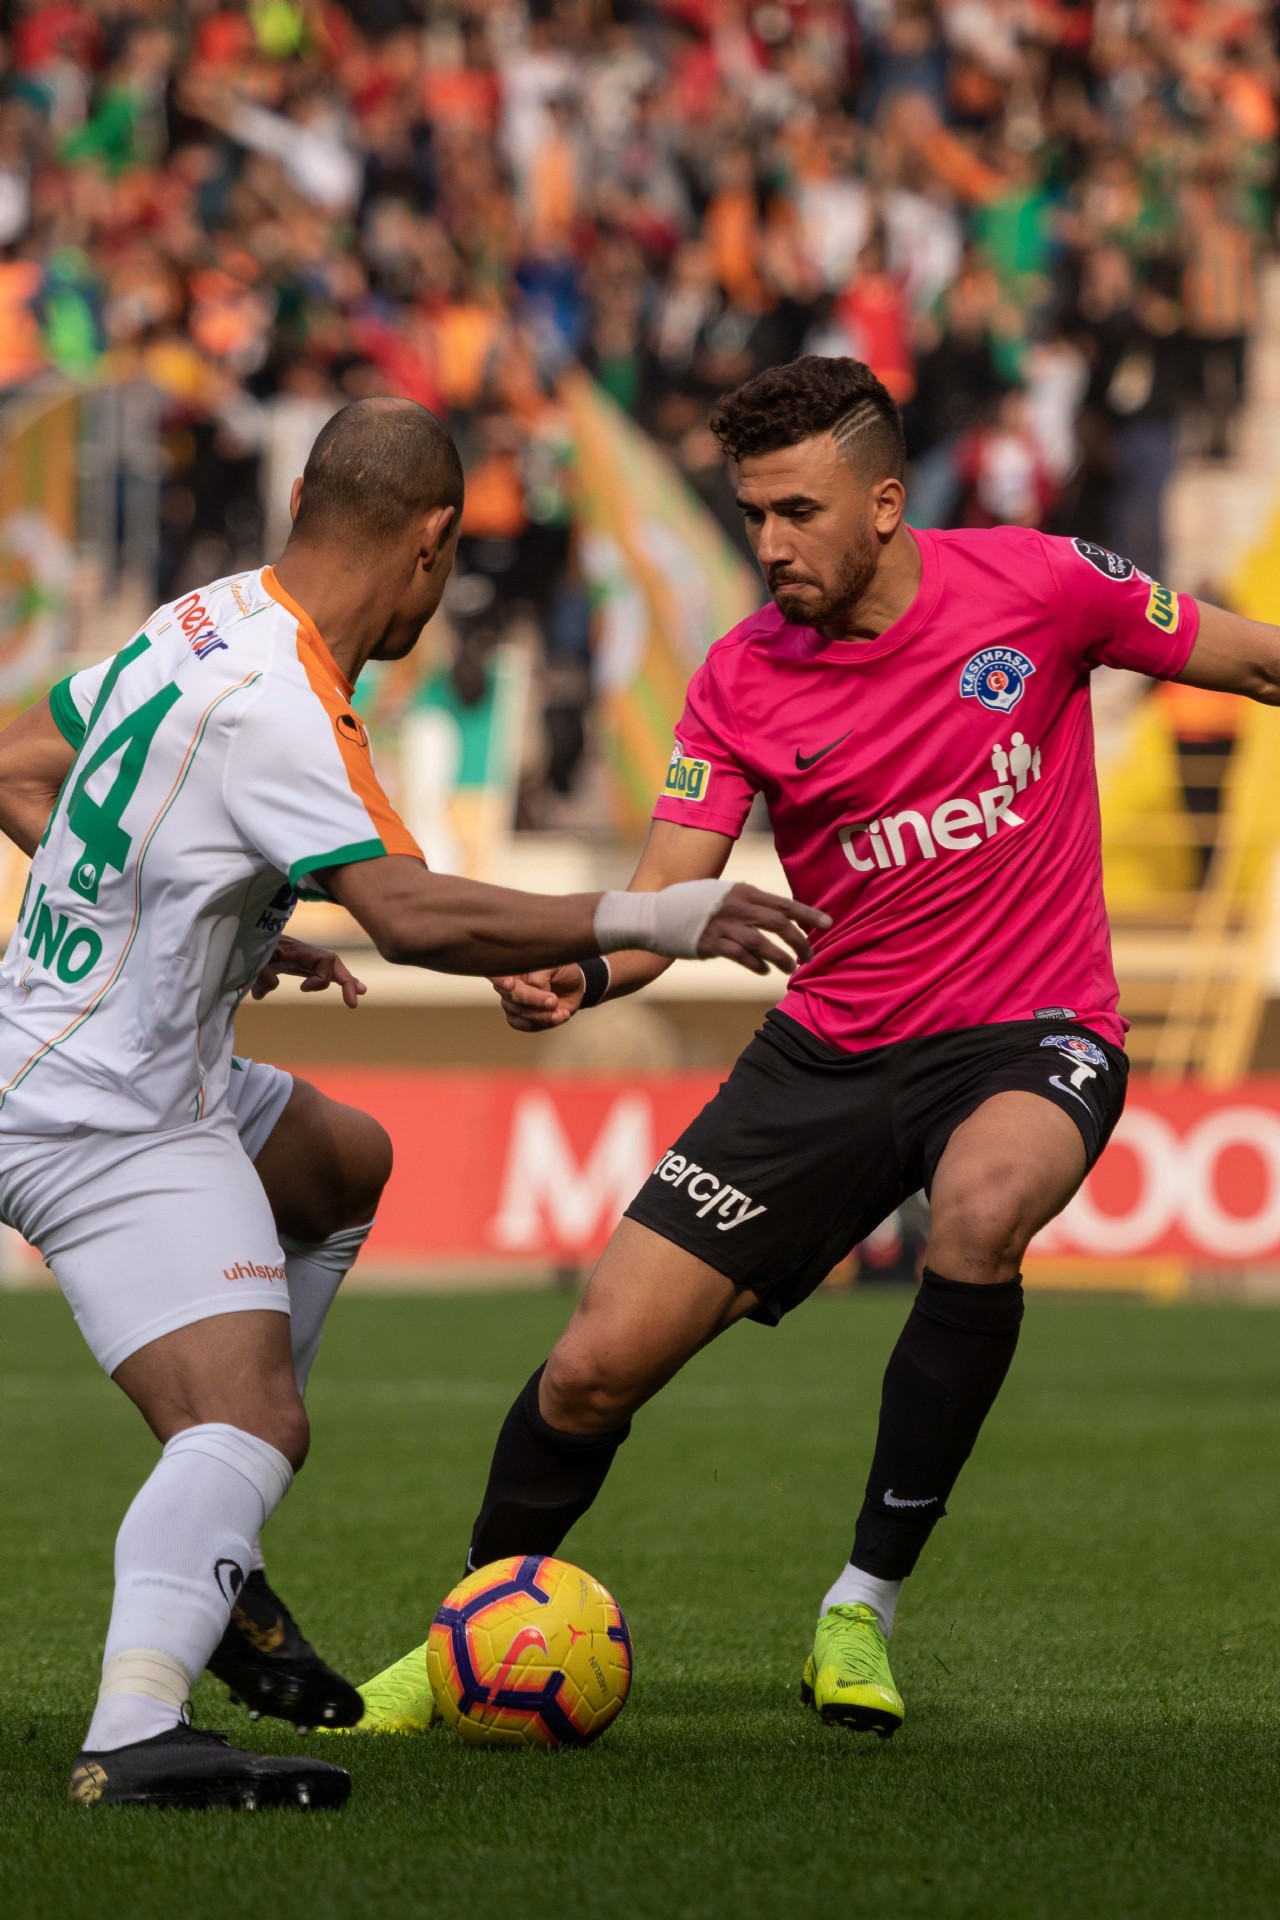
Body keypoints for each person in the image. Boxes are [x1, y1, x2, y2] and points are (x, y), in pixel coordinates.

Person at [344, 357, 1280, 1740]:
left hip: (1031, 1032)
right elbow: (666, 903)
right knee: (592, 1366)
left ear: (885, 504)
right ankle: (466, 1635)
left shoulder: (1041, 584)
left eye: (798, 512)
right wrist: (583, 973)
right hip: (826, 1055)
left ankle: (861, 1604)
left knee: (981, 1210)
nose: (771, 544)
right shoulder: (739, 678)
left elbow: (1251, 656)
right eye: (752, 515)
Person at [0, 395, 823, 1810]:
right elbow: (415, 915)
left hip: (93, 1051)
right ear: (434, 542)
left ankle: (220, 1553)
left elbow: (23, 767)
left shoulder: (201, 619)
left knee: (342, 1164)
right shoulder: (289, 700)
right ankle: (136, 1730)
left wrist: (221, 921)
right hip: (105, 1110)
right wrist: (663, 916)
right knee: (252, 1425)